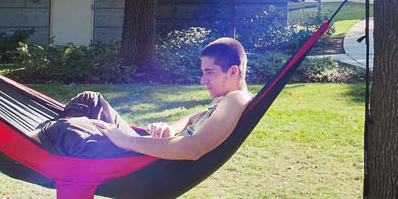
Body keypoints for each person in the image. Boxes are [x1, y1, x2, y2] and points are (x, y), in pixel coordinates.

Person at [32, 37, 253, 160]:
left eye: (210, 72)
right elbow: (190, 121)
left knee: (67, 130)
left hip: (144, 163)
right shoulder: (222, 101)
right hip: (149, 147)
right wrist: (170, 128)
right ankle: (60, 153)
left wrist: (125, 140)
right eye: (203, 72)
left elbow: (192, 149)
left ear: (233, 71)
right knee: (90, 100)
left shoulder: (236, 100)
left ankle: (29, 145)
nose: (203, 80)